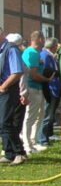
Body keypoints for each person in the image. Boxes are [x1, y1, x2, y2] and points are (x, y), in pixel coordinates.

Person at [21, 31, 54, 155]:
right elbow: (33, 74)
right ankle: (27, 144)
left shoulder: (35, 53)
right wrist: (47, 79)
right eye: (43, 38)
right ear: (39, 39)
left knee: (39, 115)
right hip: (32, 88)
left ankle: (33, 142)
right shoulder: (32, 53)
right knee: (30, 117)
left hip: (38, 88)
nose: (44, 41)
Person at [0, 28, 25, 165]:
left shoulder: (11, 49)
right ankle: (9, 153)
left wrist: (3, 87)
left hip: (8, 90)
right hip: (2, 90)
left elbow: (17, 72)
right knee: (2, 123)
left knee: (6, 122)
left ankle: (19, 153)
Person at [37, 37, 61, 147]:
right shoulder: (46, 55)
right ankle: (43, 139)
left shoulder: (50, 56)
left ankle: (46, 137)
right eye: (56, 46)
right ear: (53, 46)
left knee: (49, 115)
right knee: (47, 115)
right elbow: (46, 71)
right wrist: (57, 72)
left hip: (54, 88)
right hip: (49, 88)